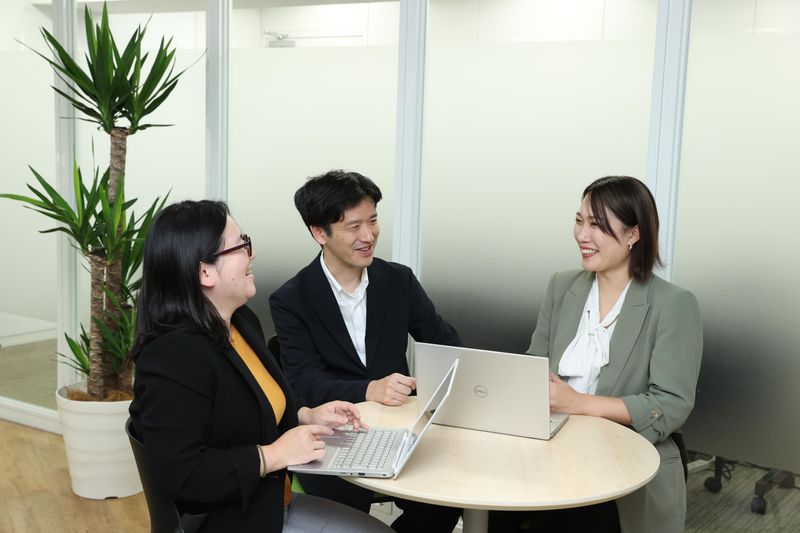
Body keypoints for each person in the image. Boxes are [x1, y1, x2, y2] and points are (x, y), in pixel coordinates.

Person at [128, 200, 393, 533]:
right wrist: (272, 456)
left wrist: (306, 416)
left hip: (271, 503)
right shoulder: (172, 356)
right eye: (240, 246)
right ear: (205, 272)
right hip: (233, 521)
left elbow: (251, 411)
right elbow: (184, 473)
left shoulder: (241, 322)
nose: (251, 255)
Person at [492, 176, 702, 533]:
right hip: (551, 449)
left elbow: (670, 405)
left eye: (596, 225)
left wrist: (578, 403)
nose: (582, 235)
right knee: (490, 507)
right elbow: (534, 365)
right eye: (579, 221)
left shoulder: (674, 304)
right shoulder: (562, 286)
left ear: (633, 234)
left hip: (624, 462)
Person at [269, 170, 462, 531]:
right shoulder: (291, 299)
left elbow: (445, 344)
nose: (368, 236)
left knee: (444, 499)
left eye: (373, 221)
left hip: (400, 428)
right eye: (354, 226)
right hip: (335, 433)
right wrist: (369, 389)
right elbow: (304, 381)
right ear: (319, 233)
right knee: (348, 517)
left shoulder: (399, 281)